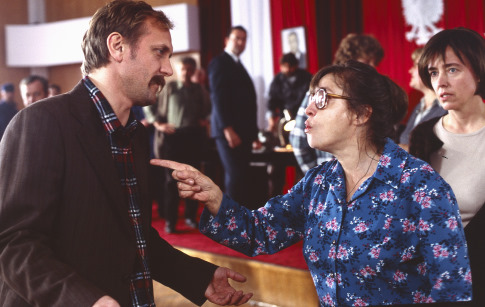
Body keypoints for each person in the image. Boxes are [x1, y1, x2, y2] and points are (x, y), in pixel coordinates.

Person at [154, 60, 472, 306]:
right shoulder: (319, 183)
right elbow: (259, 232)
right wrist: (214, 197)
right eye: (310, 98)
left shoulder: (421, 188)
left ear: (361, 114)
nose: (308, 109)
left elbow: (453, 294)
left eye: (322, 98)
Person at [0, 0, 252, 307]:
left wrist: (199, 277)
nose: (168, 69)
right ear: (117, 46)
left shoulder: (136, 134)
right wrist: (87, 301)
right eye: (159, 52)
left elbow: (132, 236)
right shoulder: (40, 122)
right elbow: (14, 244)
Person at [409, 27, 485, 306]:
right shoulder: (424, 134)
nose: (440, 82)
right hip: (431, 280)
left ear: (478, 71)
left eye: (452, 70)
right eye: (433, 72)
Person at [290, 33, 385, 174]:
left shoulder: (374, 94)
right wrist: (319, 177)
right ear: (350, 59)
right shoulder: (321, 92)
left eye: (374, 63)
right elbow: (298, 140)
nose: (372, 68)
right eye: (367, 61)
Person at [144, 56, 211, 233]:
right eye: (183, 69)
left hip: (193, 137)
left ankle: (190, 217)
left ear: (194, 71)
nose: (186, 73)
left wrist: (204, 120)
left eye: (190, 70)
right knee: (171, 182)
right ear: (178, 70)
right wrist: (157, 123)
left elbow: (207, 109)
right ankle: (170, 221)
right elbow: (147, 102)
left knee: (192, 179)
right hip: (173, 138)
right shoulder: (169, 87)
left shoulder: (199, 89)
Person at [208, 25, 261, 208]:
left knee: (243, 178)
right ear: (227, 40)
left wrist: (254, 135)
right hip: (228, 132)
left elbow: (247, 103)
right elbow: (218, 98)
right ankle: (230, 224)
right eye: (236, 38)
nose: (240, 42)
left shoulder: (238, 64)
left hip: (243, 132)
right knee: (236, 177)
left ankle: (241, 224)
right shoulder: (219, 63)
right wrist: (227, 129)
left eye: (243, 39)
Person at [398, 48, 447, 151]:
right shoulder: (419, 106)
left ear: (432, 71)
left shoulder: (446, 109)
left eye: (415, 65)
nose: (410, 70)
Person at [266, 52, 312, 133]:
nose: (287, 69)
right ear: (281, 66)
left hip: (304, 117)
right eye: (284, 66)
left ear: (295, 66)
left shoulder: (306, 78)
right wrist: (271, 122)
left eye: (290, 67)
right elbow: (271, 103)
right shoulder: (277, 81)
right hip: (285, 120)